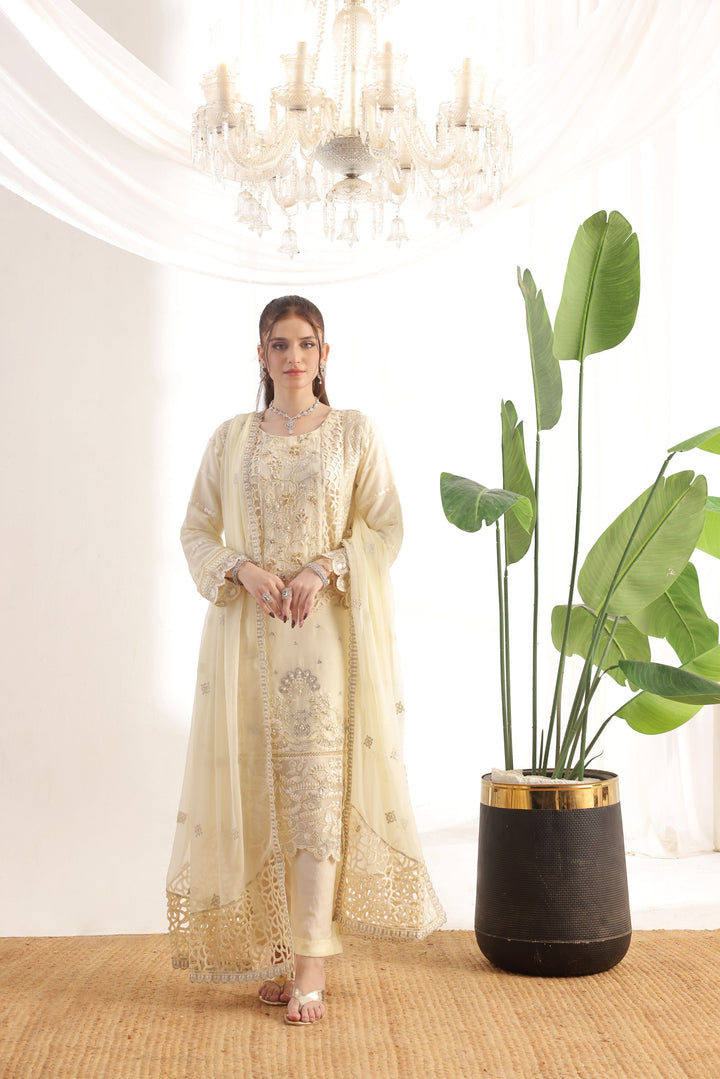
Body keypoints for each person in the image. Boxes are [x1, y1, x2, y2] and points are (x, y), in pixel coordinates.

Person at [166, 296, 445, 1025]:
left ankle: (314, 964)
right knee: (263, 793)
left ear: (327, 354)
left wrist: (324, 567)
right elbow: (196, 529)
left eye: (307, 343)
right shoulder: (231, 439)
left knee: (318, 793)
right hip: (248, 647)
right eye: (280, 344)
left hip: (326, 647)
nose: (294, 357)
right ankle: (288, 954)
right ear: (259, 354)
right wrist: (241, 568)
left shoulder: (354, 434)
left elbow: (386, 527)